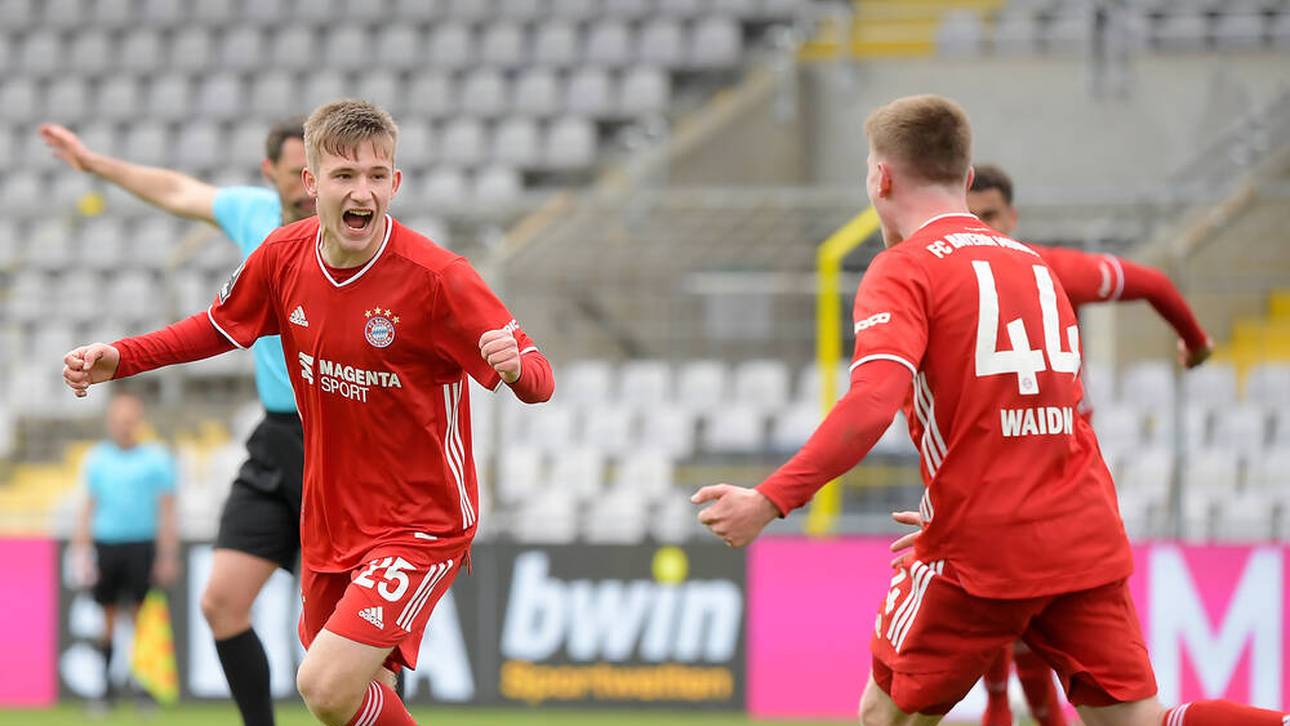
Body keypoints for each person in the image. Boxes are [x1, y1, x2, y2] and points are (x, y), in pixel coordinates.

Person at [690, 94, 1286, 726]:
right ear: (968, 179)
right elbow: (1037, 415)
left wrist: (770, 498)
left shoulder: (903, 270)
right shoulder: (1035, 264)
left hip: (984, 555)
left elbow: (871, 403)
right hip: (1082, 534)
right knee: (1140, 720)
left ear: (880, 177)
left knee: (883, 714)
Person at [62, 99, 555, 726]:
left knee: (322, 685)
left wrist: (515, 368)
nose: (363, 192)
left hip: (420, 520)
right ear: (310, 183)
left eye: (377, 176)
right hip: (330, 518)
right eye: (345, 176)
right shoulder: (282, 256)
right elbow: (215, 327)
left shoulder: (437, 278)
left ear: (395, 184)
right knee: (351, 701)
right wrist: (121, 358)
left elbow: (541, 380)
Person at [41, 118, 312, 726]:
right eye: (297, 172)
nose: (309, 184)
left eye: (317, 171)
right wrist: (96, 165)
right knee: (220, 603)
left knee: (339, 646)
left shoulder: (348, 238)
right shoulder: (253, 215)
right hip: (276, 437)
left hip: (341, 444)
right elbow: (176, 189)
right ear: (271, 174)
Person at [952, 163, 1214, 726]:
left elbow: (1155, 284)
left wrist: (1196, 342)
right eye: (970, 217)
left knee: (1019, 622)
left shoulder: (1048, 268)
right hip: (999, 480)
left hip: (1059, 483)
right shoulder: (950, 280)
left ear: (1013, 216)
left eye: (991, 215)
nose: (982, 227)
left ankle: (1004, 707)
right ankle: (1003, 705)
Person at [71, 391, 178, 712]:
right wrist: (81, 553)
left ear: (138, 422)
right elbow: (87, 509)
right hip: (107, 545)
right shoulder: (97, 459)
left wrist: (167, 555)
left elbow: (167, 510)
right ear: (110, 422)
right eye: (119, 421)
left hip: (142, 545)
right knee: (107, 620)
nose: (124, 427)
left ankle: (143, 689)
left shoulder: (157, 458)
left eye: (130, 421)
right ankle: (105, 690)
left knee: (142, 621)